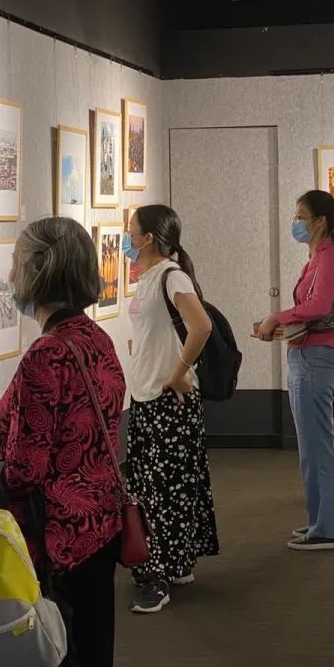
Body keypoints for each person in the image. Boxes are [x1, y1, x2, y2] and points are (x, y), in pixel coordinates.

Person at [0, 216, 126, 667]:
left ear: (39, 270)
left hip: (52, 546)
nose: (11, 274)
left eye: (15, 262)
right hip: (99, 529)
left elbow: (25, 471)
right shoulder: (96, 340)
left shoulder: (46, 356)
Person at [123, 205, 220, 614]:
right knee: (158, 486)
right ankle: (175, 564)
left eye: (131, 230)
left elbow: (202, 326)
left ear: (148, 238)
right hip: (147, 396)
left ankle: (157, 576)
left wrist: (179, 372)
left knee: (162, 490)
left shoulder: (170, 275)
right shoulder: (148, 278)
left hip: (167, 400)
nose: (126, 237)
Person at [256, 190, 334, 551]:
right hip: (306, 355)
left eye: (300, 216)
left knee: (318, 445)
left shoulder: (328, 258)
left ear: (320, 222)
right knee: (311, 447)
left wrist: (277, 317)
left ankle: (326, 528)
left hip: (316, 358)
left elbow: (318, 306)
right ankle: (323, 519)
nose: (295, 223)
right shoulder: (316, 259)